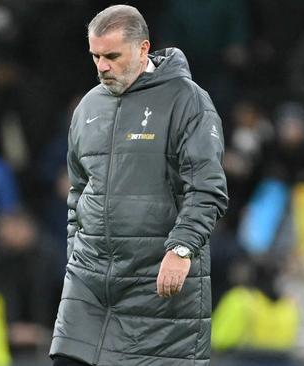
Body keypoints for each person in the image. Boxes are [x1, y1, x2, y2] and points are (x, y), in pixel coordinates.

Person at [49, 5, 229, 366]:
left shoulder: (187, 100)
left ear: (143, 48)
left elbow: (207, 188)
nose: (102, 66)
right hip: (89, 284)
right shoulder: (87, 108)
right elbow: (78, 192)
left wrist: (182, 250)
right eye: (96, 56)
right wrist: (75, 255)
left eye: (112, 56)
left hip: (157, 287)